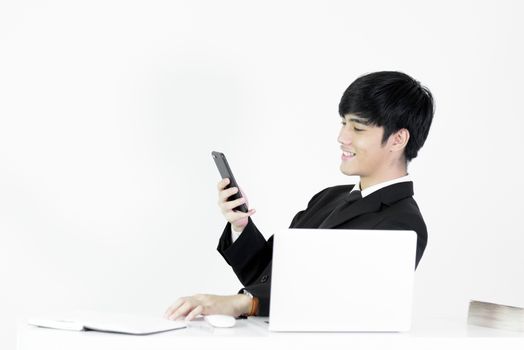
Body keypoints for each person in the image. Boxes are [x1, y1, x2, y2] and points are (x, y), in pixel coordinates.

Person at [164, 71, 435, 321]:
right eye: (343, 123)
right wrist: (240, 226)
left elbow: (340, 303)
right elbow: (265, 276)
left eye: (358, 128)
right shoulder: (328, 198)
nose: (342, 137)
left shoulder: (403, 224)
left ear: (398, 140)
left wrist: (242, 303)